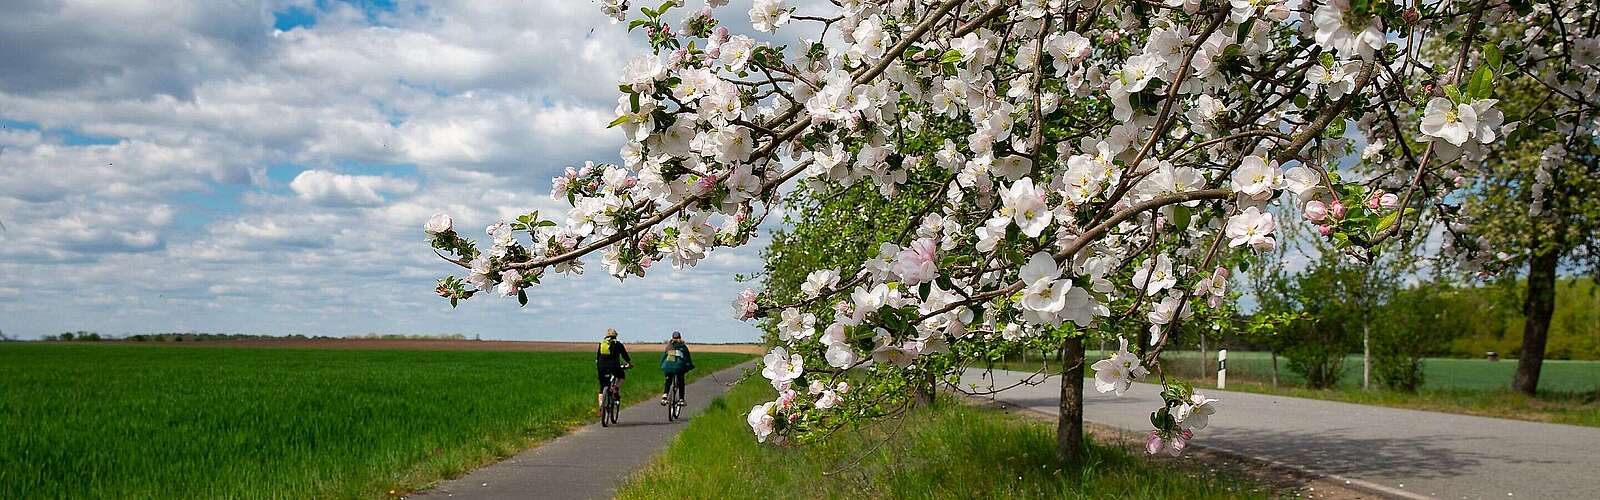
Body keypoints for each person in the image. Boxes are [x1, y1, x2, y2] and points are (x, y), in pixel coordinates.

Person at [596, 328, 632, 410]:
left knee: (602, 386)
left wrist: (599, 366)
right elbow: (625, 356)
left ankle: (601, 405)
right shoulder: (618, 344)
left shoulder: (601, 344)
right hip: (614, 366)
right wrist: (630, 364)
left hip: (601, 367)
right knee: (621, 376)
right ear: (615, 336)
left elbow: (597, 358)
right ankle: (615, 388)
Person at [659, 331, 694, 405]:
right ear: (680, 338)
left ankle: (664, 396)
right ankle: (681, 399)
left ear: (672, 338)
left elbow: (663, 357)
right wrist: (690, 366)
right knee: (681, 381)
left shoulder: (669, 346)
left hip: (668, 366)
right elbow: (688, 358)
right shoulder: (683, 346)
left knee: (668, 380)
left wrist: (662, 366)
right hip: (679, 367)